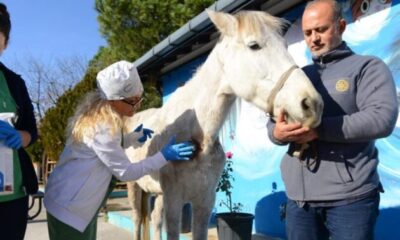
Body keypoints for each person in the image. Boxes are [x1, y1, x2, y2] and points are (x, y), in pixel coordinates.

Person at [267, 0, 398, 239]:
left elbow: (382, 118)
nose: (313, 38)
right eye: (307, 33)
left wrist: (319, 130)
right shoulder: (298, 76)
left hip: (350, 200)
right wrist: (276, 133)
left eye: (321, 29)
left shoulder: (367, 68)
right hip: (300, 201)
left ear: (341, 26)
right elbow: (274, 118)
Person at [44, 60, 196, 240]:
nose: (137, 105)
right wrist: (164, 155)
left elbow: (102, 150)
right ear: (113, 100)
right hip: (69, 209)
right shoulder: (102, 127)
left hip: (75, 204)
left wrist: (132, 137)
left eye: (140, 98)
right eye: (132, 101)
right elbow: (126, 172)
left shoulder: (102, 118)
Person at [0, 3, 39, 240]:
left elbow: (32, 131)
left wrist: (20, 137)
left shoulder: (14, 83)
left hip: (12, 198)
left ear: (4, 43)